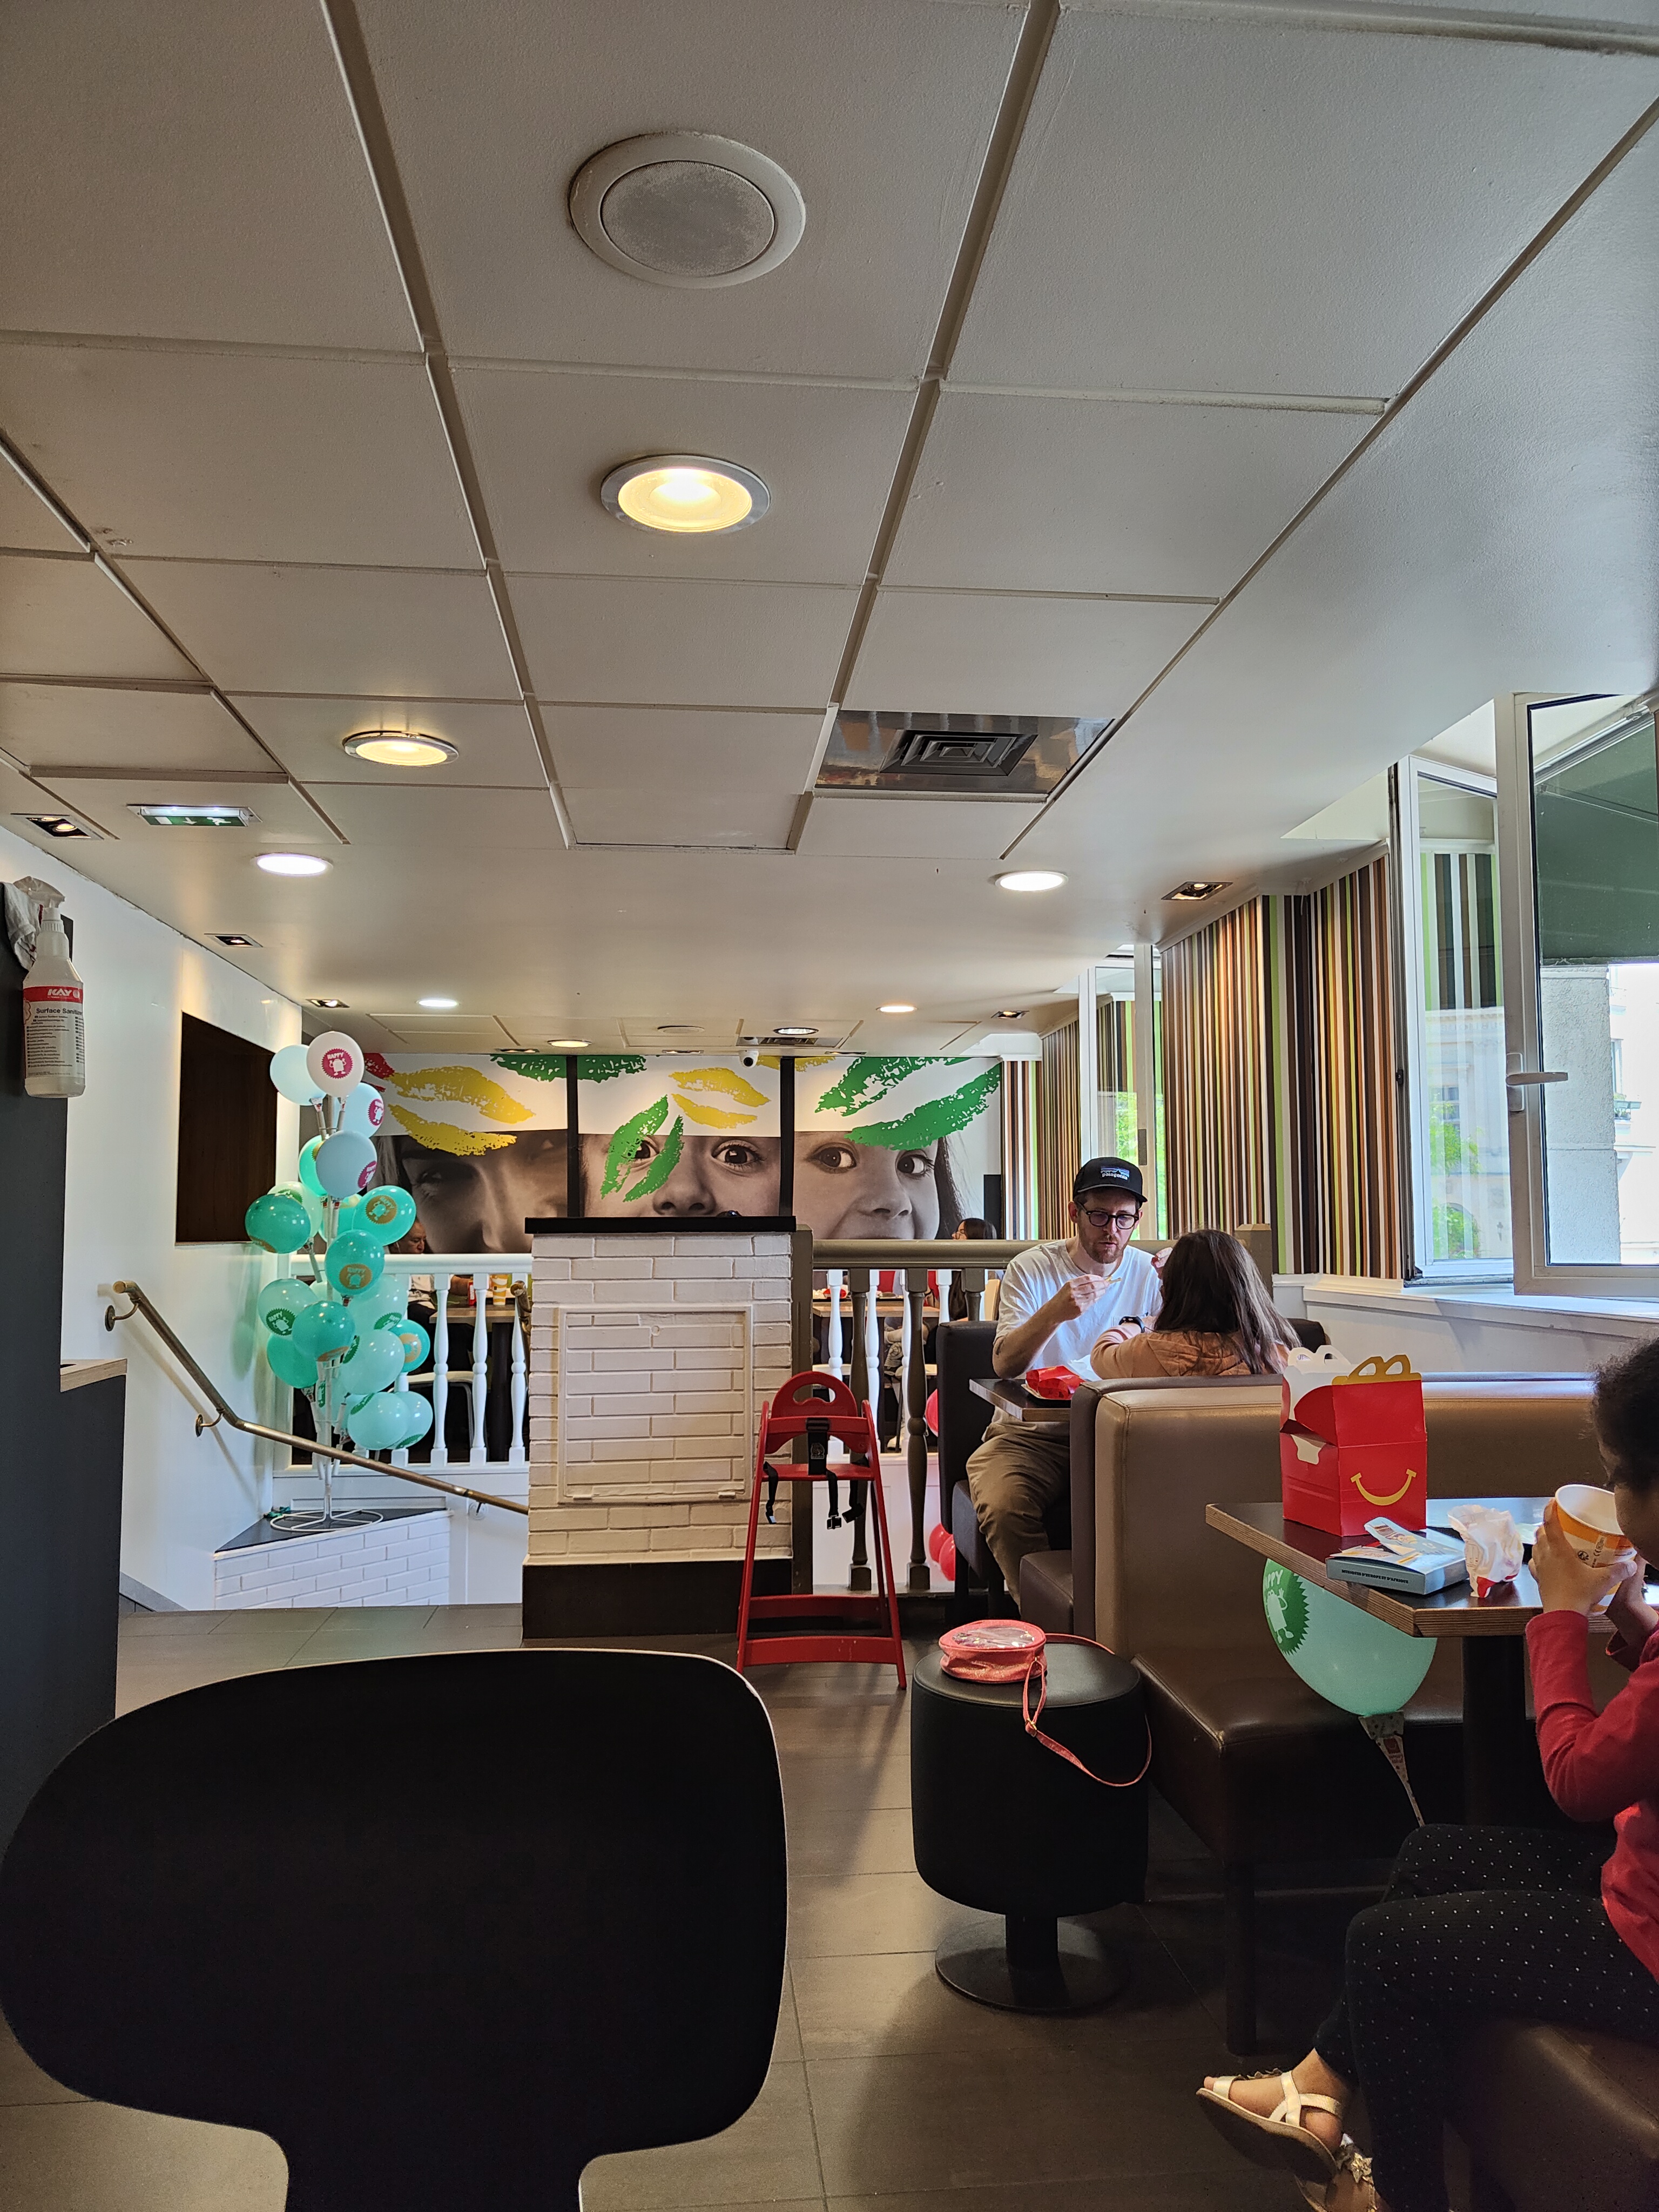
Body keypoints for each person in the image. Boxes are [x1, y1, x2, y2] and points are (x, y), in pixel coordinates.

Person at [1197, 1335, 1659, 2212]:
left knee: (1381, 1949)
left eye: (1617, 1478)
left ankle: (1401, 2198)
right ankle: (1315, 2088)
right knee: (1431, 1855)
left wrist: (1559, 1619)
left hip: (1648, 1948)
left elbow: (1576, 1779)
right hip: (1642, 1884)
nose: (1613, 1497)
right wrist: (1637, 1624)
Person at [965, 1157, 1161, 1596]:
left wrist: (1178, 1291)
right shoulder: (1031, 1268)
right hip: (1032, 1437)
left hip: (1123, 1433)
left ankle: (1128, 1619)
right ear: (1075, 1212)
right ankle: (1049, 1616)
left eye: (1125, 1218)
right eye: (1100, 1216)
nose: (1112, 1230)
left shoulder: (1150, 1274)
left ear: (1137, 1219)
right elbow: (1004, 1365)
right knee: (1004, 1505)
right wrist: (1055, 1312)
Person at [1089, 1228, 1292, 1380]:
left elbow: (1102, 1352)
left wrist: (1141, 1323)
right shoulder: (1278, 1359)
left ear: (1172, 1293)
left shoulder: (1147, 1352)